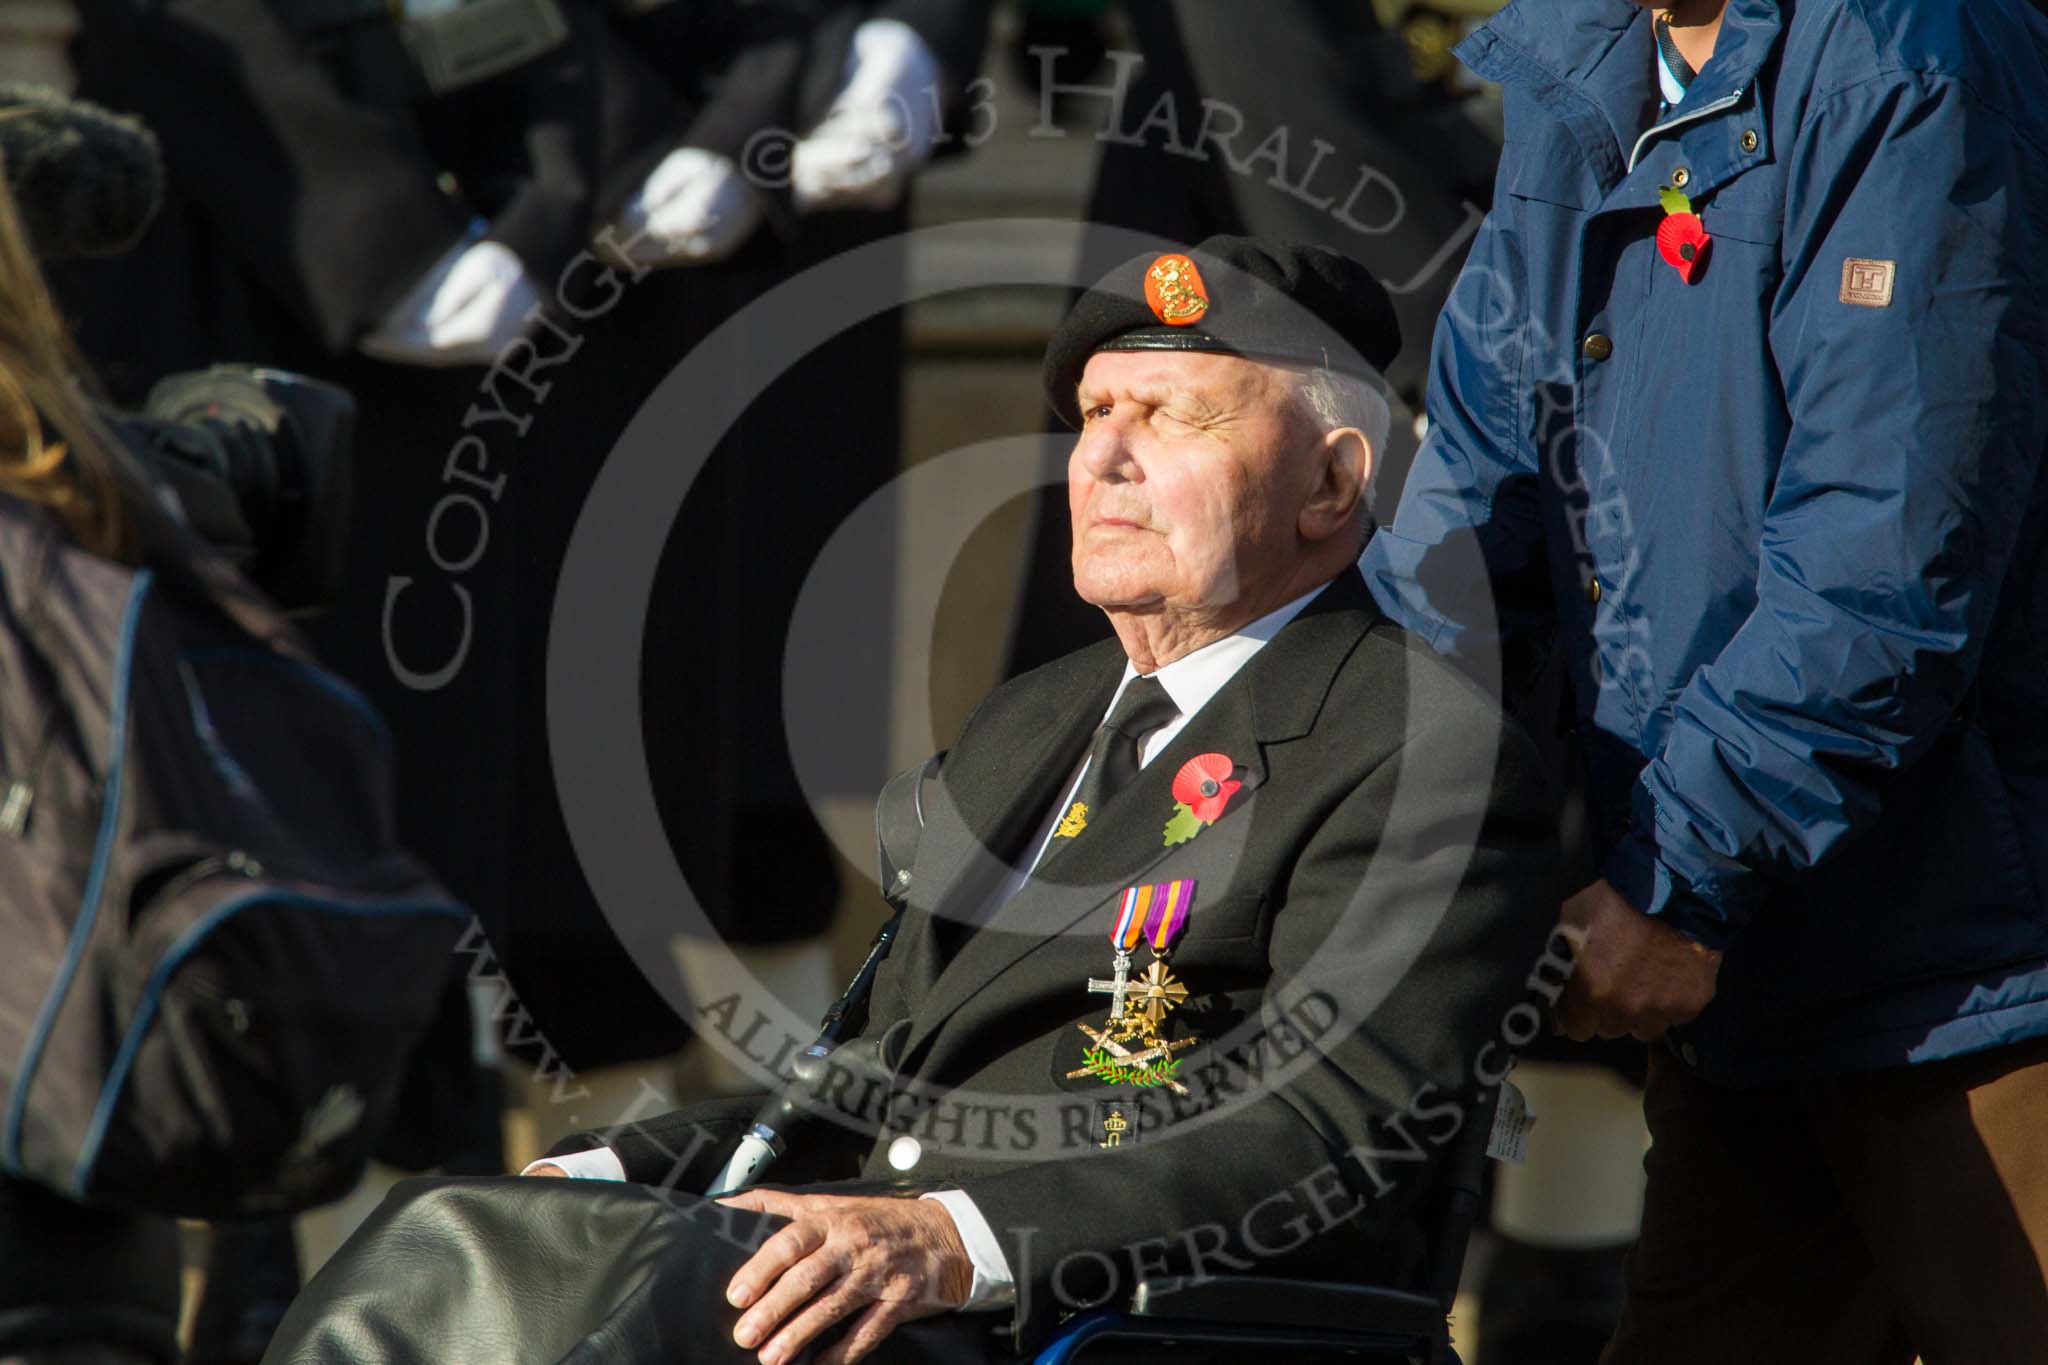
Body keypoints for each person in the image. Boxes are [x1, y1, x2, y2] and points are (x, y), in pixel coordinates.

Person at [489, 237, 1562, 1361]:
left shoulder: (1411, 744)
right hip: (916, 1298)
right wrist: (608, 1174)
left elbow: (1333, 1135)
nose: (1103, 458)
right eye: (1094, 414)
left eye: (1172, 416)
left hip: (1123, 1325)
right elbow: (880, 1075)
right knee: (465, 1248)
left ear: (1332, 482)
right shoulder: (1032, 721)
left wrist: (953, 1239)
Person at [1360, 0, 2048, 1359]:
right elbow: (1481, 495)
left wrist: (1681, 874)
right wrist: (1354, 802)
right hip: (1743, 956)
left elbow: (1888, 545)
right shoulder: (1576, 66)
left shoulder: (1912, 52)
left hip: (1967, 948)